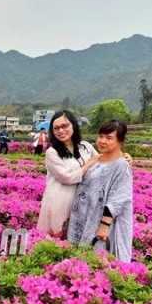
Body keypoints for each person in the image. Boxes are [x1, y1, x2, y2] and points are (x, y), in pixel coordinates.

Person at [67, 120, 134, 262]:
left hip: (100, 224)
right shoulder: (96, 159)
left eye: (109, 138)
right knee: (79, 263)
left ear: (120, 141)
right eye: (100, 136)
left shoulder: (121, 165)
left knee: (98, 262)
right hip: (83, 218)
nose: (102, 141)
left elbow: (118, 198)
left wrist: (104, 226)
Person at [36, 110, 99, 239]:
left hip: (81, 201)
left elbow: (102, 161)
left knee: (75, 240)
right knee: (56, 239)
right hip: (59, 201)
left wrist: (124, 157)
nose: (61, 131)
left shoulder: (85, 146)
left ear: (73, 126)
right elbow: (67, 178)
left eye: (64, 126)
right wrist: (90, 163)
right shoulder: (52, 153)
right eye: (56, 128)